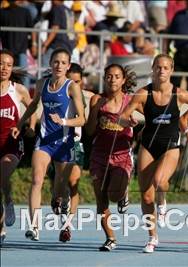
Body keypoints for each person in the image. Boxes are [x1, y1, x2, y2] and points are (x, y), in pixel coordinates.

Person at [119, 54, 188, 253]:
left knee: (158, 181)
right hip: (148, 144)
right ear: (153, 69)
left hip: (170, 145)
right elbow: (122, 116)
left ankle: (162, 201)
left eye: (165, 68)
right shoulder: (143, 94)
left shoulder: (178, 94)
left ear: (171, 70)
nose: (161, 71)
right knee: (146, 197)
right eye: (158, 67)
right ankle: (152, 237)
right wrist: (127, 121)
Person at [11, 48, 85, 241]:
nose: (59, 65)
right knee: (36, 180)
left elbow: (82, 119)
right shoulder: (42, 83)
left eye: (63, 63)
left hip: (64, 142)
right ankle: (34, 226)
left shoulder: (71, 87)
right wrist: (20, 124)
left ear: (68, 66)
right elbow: (34, 105)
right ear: (50, 64)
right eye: (56, 62)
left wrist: (64, 122)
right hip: (44, 140)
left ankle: (62, 201)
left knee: (59, 189)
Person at [86, 63, 137, 251]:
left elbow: (143, 125)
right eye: (109, 76)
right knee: (101, 199)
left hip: (121, 154)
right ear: (104, 78)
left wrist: (133, 124)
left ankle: (123, 194)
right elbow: (90, 130)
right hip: (99, 154)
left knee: (113, 196)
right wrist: (94, 110)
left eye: (117, 76)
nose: (112, 79)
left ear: (123, 80)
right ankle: (110, 238)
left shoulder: (130, 101)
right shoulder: (97, 100)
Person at [0, 49, 36, 243]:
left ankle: (8, 201)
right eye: (1, 64)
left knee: (2, 174)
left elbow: (33, 108)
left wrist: (30, 126)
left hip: (11, 144)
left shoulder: (18, 89)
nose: (4, 68)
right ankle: (1, 228)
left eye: (8, 64)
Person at [56, 63, 94, 242]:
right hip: (55, 143)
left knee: (73, 182)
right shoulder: (56, 92)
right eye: (72, 81)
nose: (75, 85)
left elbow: (83, 120)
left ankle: (67, 225)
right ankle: (62, 205)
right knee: (60, 187)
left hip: (75, 142)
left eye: (78, 82)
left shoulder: (81, 97)